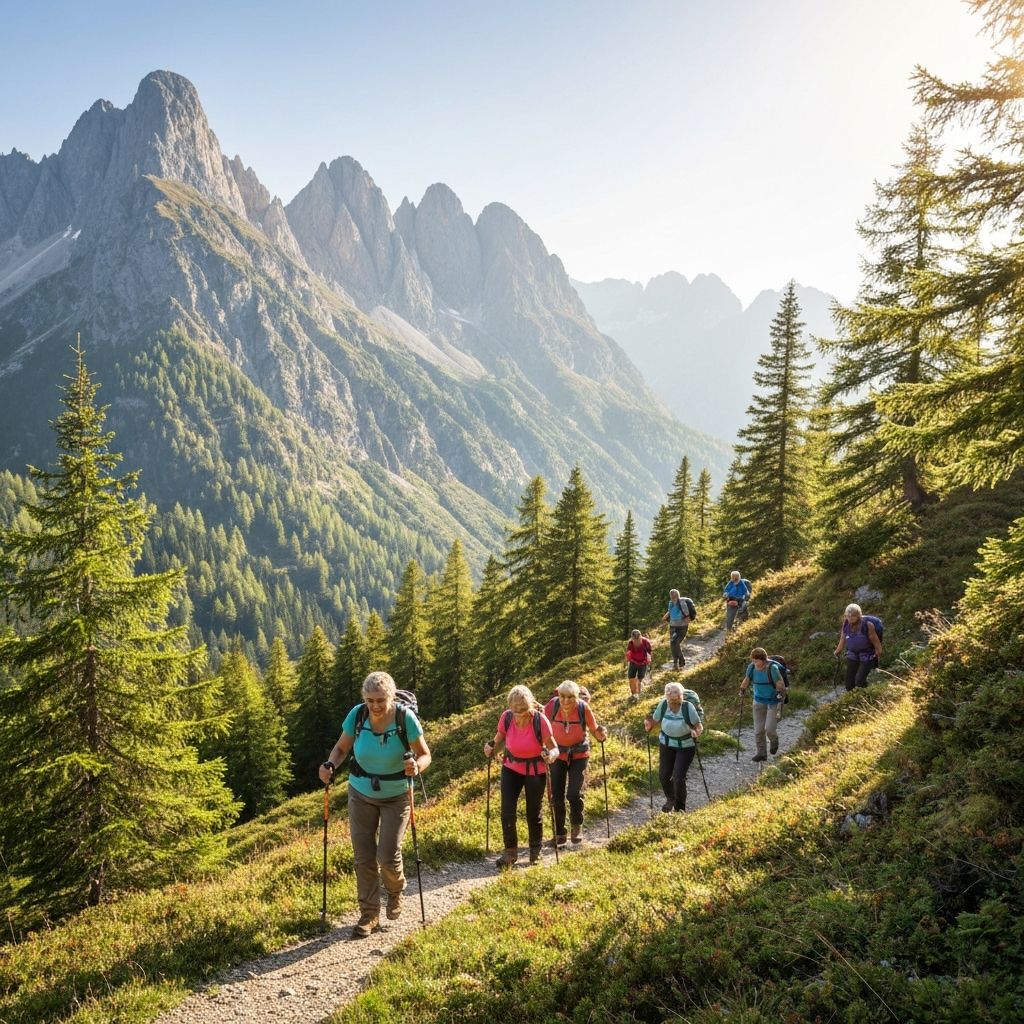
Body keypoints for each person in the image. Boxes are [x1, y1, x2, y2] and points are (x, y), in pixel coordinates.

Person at [319, 671, 431, 939]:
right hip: (360, 792)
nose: (375, 706)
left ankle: (395, 891)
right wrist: (330, 764)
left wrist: (417, 766)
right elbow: (341, 748)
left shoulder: (405, 718)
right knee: (363, 857)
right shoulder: (357, 715)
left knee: (387, 856)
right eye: (370, 700)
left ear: (391, 696)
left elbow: (425, 754)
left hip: (397, 795)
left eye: (380, 700)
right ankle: (369, 914)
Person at [483, 684, 559, 869]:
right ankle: (510, 852)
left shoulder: (540, 720)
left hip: (535, 770)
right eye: (515, 708)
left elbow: (554, 748)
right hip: (511, 768)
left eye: (523, 708)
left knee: (533, 811)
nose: (519, 712)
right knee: (507, 810)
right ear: (510, 706)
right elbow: (498, 738)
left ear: (530, 705)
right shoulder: (506, 717)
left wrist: (551, 756)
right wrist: (490, 747)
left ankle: (535, 850)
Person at [544, 680, 608, 845]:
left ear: (577, 697)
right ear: (558, 695)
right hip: (557, 754)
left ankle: (576, 826)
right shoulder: (552, 706)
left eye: (570, 697)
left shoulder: (583, 708)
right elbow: (541, 727)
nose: (566, 701)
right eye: (562, 696)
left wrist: (601, 735)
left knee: (574, 793)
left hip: (579, 754)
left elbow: (594, 730)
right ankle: (560, 833)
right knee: (556, 795)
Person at [644, 681, 704, 811]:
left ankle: (679, 808)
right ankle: (671, 799)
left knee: (678, 777)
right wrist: (649, 724)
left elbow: (699, 726)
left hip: (686, 746)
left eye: (675, 694)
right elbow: (655, 719)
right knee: (664, 776)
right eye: (669, 694)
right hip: (666, 744)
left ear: (681, 695)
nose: (672, 697)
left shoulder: (688, 707)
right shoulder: (663, 704)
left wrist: (696, 732)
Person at [739, 648, 786, 762]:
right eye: (753, 660)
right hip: (758, 700)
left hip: (773, 701)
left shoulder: (772, 668)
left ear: (763, 659)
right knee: (758, 730)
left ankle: (774, 740)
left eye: (757, 661)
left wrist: (779, 692)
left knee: (769, 728)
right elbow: (747, 679)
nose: (755, 663)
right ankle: (761, 753)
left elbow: (780, 683)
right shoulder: (751, 667)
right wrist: (742, 689)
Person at [834, 603, 882, 690]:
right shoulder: (846, 624)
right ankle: (852, 697)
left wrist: (878, 654)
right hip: (852, 654)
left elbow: (876, 641)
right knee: (849, 683)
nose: (850, 618)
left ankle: (867, 694)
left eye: (853, 616)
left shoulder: (867, 625)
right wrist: (838, 650)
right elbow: (843, 638)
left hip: (867, 655)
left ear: (859, 615)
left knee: (860, 681)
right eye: (848, 616)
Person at [661, 589, 691, 669]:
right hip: (673, 626)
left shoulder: (682, 602)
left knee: (676, 642)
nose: (672, 596)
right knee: (672, 644)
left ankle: (681, 659)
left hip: (682, 626)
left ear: (678, 595)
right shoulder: (670, 603)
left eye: (674, 595)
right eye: (671, 595)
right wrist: (665, 617)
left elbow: (687, 613)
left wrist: (686, 617)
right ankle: (675, 663)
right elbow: (670, 611)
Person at [624, 628, 652, 699]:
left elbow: (649, 652)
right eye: (635, 640)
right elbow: (628, 652)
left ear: (640, 637)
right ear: (632, 638)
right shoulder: (630, 643)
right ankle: (634, 695)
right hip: (633, 662)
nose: (636, 641)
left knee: (640, 679)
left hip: (643, 663)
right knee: (631, 678)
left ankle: (638, 695)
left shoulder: (646, 642)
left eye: (638, 639)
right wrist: (626, 662)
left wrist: (649, 662)